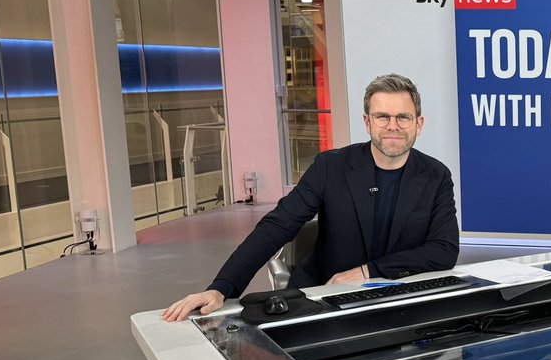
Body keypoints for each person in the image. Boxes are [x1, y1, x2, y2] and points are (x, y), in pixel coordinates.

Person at [162, 73, 459, 321]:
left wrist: (368, 272)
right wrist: (222, 287)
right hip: (322, 299)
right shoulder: (330, 167)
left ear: (418, 124)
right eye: (382, 117)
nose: (393, 126)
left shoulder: (436, 175)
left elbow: (444, 250)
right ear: (367, 122)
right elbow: (277, 227)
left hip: (398, 301)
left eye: (403, 117)